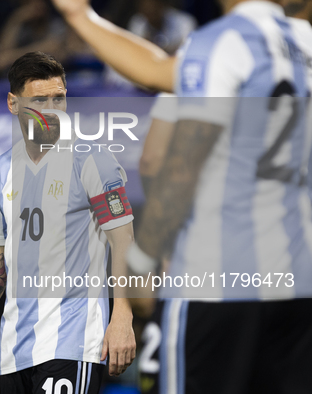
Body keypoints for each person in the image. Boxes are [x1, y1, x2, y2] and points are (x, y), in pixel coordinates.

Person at [52, 1, 312, 394]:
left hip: (216, 280)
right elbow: (158, 69)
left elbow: (168, 161)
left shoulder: (219, 42)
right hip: (298, 280)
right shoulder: (305, 43)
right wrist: (81, 17)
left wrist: (143, 258)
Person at [0, 51, 136, 393]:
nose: (52, 109)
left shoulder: (93, 161)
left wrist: (122, 314)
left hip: (73, 342)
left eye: (59, 98)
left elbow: (123, 240)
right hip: (14, 351)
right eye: (40, 100)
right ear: (13, 103)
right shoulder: (1, 170)